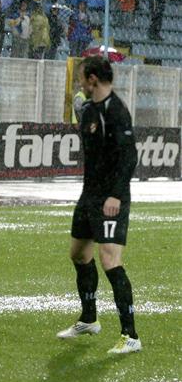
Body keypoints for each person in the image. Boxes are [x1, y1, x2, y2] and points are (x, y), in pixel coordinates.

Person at [57, 56, 141, 354]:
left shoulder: (116, 111)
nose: (80, 82)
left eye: (82, 77)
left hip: (111, 198)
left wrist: (116, 196)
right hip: (89, 196)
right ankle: (89, 319)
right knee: (79, 254)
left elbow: (129, 158)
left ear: (93, 79)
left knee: (109, 260)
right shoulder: (91, 110)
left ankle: (130, 335)